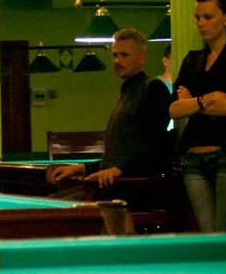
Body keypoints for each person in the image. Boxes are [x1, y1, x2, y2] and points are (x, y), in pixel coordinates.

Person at [170, 0, 226, 232]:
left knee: (225, 237)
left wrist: (192, 103)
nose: (201, 23)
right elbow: (175, 110)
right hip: (192, 160)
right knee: (209, 238)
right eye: (197, 17)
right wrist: (207, 99)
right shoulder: (192, 60)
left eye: (208, 17)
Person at [49, 28, 171, 190]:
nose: (117, 60)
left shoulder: (152, 89)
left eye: (124, 55)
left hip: (131, 188)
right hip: (114, 183)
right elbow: (117, 159)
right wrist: (83, 168)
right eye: (114, 55)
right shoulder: (128, 92)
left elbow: (153, 146)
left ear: (142, 57)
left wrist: (118, 170)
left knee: (59, 205)